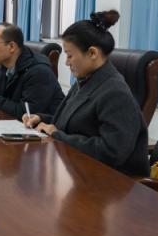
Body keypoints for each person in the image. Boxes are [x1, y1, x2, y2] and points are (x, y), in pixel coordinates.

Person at [23, 10, 148, 177]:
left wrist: (57, 135)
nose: (66, 63)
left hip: (112, 182)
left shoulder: (115, 92)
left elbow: (111, 152)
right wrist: (41, 119)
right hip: (79, 169)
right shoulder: (85, 80)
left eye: (69, 56)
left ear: (92, 53)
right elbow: (70, 122)